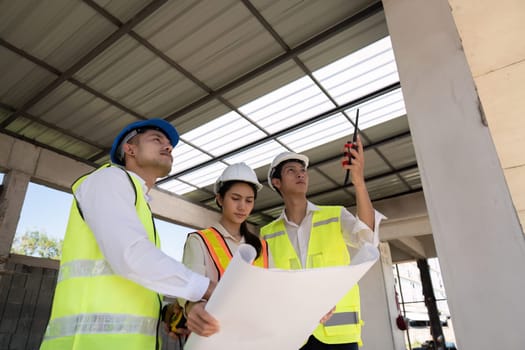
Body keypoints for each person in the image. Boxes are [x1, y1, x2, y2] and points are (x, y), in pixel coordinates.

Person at [40, 119, 219, 350]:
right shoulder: (108, 179)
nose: (168, 147)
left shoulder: (139, 202)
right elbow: (130, 256)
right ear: (129, 149)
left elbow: (136, 275)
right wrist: (207, 288)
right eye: (157, 139)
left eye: (170, 145)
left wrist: (165, 313)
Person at [260, 135, 384, 350]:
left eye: (303, 170)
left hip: (339, 337)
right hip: (294, 336)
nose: (300, 173)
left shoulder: (335, 215)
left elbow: (367, 238)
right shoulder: (267, 234)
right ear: (276, 182)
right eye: (291, 170)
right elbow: (269, 287)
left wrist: (359, 182)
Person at [178, 162, 268, 342]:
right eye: (235, 198)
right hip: (214, 336)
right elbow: (188, 288)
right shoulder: (200, 240)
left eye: (249, 200)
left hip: (253, 337)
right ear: (220, 199)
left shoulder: (262, 246)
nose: (242, 207)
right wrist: (191, 308)